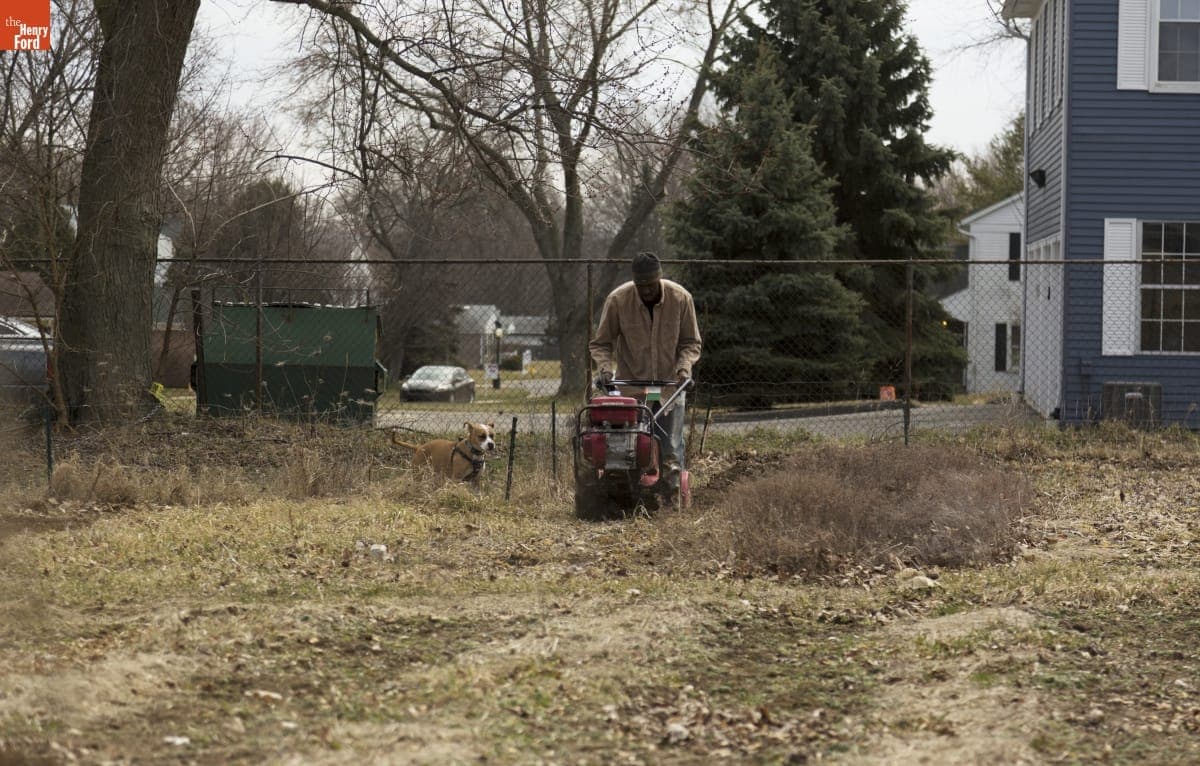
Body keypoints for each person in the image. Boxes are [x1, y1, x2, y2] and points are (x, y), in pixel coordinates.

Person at [589, 251, 702, 498]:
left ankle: (672, 499)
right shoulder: (618, 300)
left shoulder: (680, 298)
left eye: (651, 285)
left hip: (669, 386)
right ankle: (624, 492)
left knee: (670, 446)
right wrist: (606, 370)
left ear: (659, 278)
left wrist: (684, 369)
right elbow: (601, 343)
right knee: (625, 443)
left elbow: (691, 342)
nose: (646, 290)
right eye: (641, 286)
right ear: (634, 282)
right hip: (632, 386)